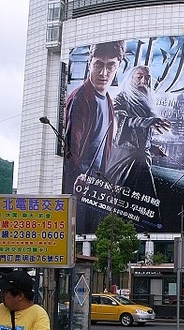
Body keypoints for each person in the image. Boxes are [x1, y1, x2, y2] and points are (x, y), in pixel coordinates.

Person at [64, 40, 125, 233]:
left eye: (111, 66)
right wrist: (76, 177)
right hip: (79, 187)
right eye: (98, 64)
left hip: (97, 188)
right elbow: (71, 146)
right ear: (90, 62)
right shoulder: (81, 98)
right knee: (79, 238)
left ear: (119, 66)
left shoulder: (108, 100)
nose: (104, 73)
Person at [105, 65, 171, 205]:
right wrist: (148, 121)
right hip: (125, 159)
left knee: (147, 204)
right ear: (131, 78)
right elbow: (122, 122)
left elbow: (140, 135)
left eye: (147, 77)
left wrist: (152, 148)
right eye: (139, 76)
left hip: (142, 159)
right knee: (121, 201)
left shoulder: (146, 100)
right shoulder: (122, 98)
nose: (144, 81)